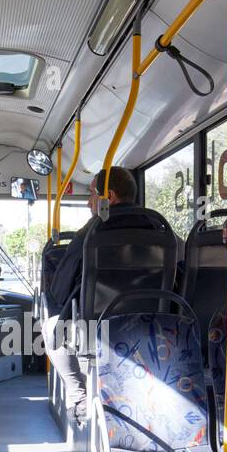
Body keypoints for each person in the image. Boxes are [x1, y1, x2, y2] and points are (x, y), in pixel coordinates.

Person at [42, 166, 138, 425]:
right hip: (148, 323)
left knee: (51, 326)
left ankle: (77, 393)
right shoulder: (156, 226)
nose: (88, 202)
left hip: (97, 325)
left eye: (92, 194)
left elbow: (60, 289)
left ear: (109, 195)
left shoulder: (92, 233)